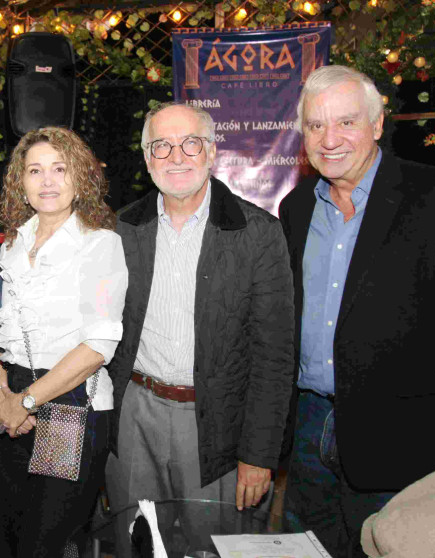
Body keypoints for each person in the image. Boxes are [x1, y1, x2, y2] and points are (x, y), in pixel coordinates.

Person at [279, 65, 435, 558]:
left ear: (378, 123)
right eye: (316, 125)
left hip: (405, 438)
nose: (330, 139)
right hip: (308, 425)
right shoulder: (296, 208)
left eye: (346, 122)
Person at [105, 102, 295, 557]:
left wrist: (259, 456)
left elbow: (274, 356)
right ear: (147, 157)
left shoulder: (257, 233)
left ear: (212, 152)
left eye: (190, 142)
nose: (177, 156)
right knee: (136, 544)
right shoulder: (120, 230)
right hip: (133, 416)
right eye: (162, 146)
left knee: (212, 547)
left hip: (217, 426)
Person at [0, 127, 128, 558]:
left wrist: (26, 402)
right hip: (12, 402)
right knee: (4, 538)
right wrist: (2, 394)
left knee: (47, 544)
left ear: (78, 177)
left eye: (59, 169)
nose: (47, 181)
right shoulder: (13, 243)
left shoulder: (99, 244)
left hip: (69, 405)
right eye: (35, 170)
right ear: (21, 182)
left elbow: (97, 348)